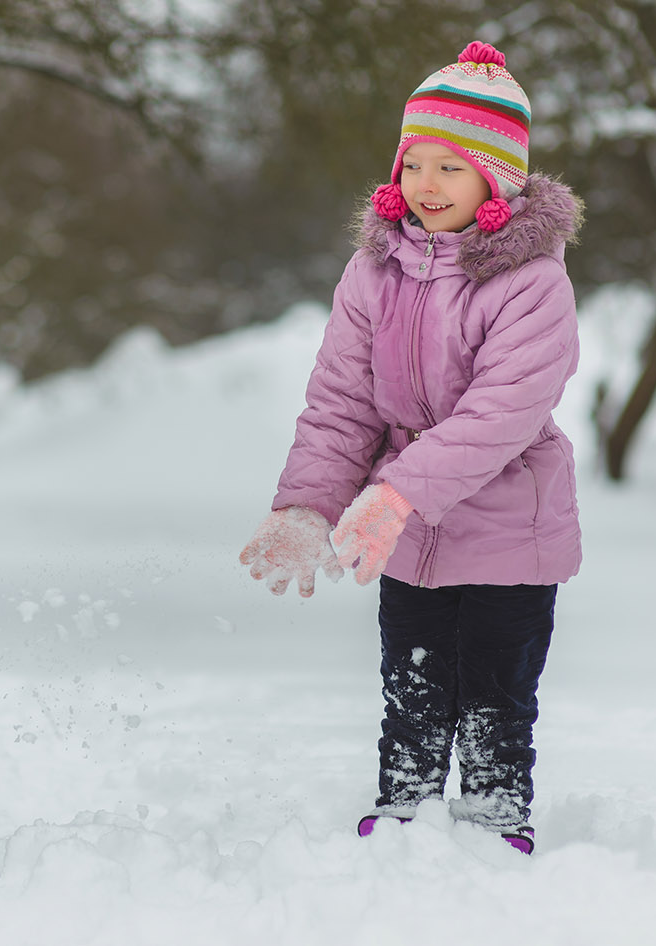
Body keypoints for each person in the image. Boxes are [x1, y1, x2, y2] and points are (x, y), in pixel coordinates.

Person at [239, 41, 583, 855]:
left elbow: (499, 414)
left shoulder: (533, 284)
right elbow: (342, 402)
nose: (425, 187)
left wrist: (396, 493)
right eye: (413, 165)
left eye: (450, 169)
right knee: (414, 676)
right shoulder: (372, 274)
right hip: (408, 534)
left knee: (496, 684)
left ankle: (496, 809)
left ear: (496, 182)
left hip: (509, 529)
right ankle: (405, 803)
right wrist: (306, 505)